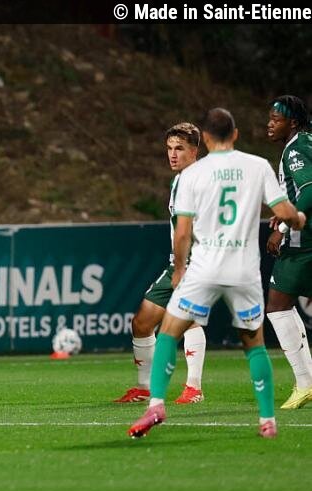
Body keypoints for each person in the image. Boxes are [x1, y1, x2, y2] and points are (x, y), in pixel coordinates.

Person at [128, 108, 306, 439]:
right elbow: (285, 211)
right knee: (255, 345)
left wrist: (179, 269)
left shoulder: (194, 175)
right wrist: (297, 220)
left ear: (206, 139)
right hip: (243, 268)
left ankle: (156, 404)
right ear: (235, 134)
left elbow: (183, 232)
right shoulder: (257, 166)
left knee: (168, 332)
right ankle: (267, 419)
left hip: (204, 265)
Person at [115, 123, 207, 405]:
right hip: (177, 263)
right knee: (142, 323)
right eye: (169, 148)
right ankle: (145, 387)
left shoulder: (200, 180)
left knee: (188, 320)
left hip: (196, 262)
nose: (173, 154)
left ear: (194, 150)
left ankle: (194, 388)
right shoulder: (180, 180)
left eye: (179, 148)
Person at [265, 95, 312, 410]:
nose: (270, 123)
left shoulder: (295, 149)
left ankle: (306, 383)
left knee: (277, 305)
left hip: (303, 242)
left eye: (276, 119)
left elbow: (310, 188)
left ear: (292, 122)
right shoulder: (306, 142)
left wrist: (283, 226)